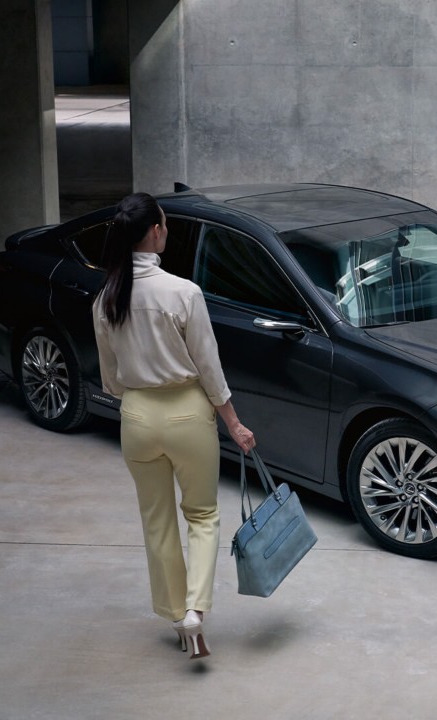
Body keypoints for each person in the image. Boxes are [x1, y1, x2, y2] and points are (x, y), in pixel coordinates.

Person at [92, 192, 255, 660]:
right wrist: (235, 425)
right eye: (164, 224)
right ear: (157, 233)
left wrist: (140, 399)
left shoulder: (106, 299)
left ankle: (171, 611)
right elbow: (210, 369)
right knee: (202, 516)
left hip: (137, 417)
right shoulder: (184, 292)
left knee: (157, 521)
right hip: (187, 413)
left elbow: (110, 379)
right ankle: (195, 613)